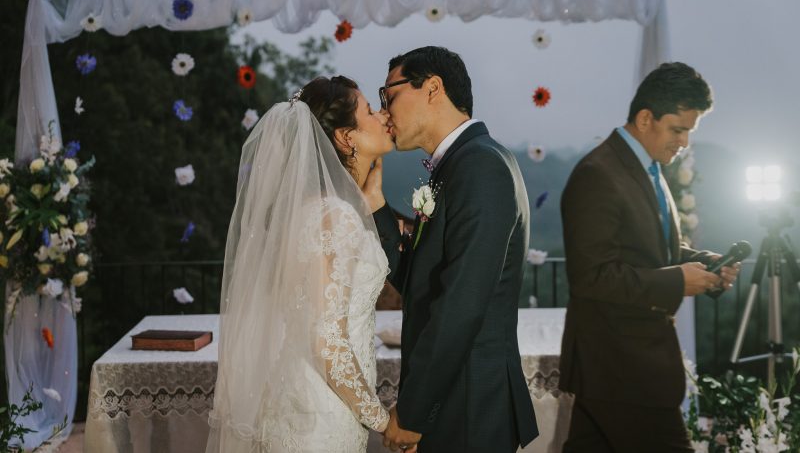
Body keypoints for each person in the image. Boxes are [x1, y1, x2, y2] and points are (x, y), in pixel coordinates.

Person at [206, 76, 399, 453]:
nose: (382, 115)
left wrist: (372, 197)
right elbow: (326, 341)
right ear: (346, 138)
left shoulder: (316, 210)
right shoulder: (335, 217)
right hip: (320, 415)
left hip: (307, 400)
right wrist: (380, 418)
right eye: (369, 110)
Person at [362, 46, 539, 452]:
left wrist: (412, 412)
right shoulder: (460, 164)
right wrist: (375, 205)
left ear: (433, 88)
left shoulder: (481, 166)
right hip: (458, 402)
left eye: (389, 93)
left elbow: (461, 304)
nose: (384, 110)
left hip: (470, 407)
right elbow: (420, 282)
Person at [559, 62, 741, 452]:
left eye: (689, 133)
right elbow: (591, 276)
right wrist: (678, 280)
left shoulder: (647, 169)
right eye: (678, 130)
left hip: (620, 368)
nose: (684, 143)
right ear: (645, 118)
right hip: (621, 367)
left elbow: (653, 249)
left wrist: (702, 261)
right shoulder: (598, 174)